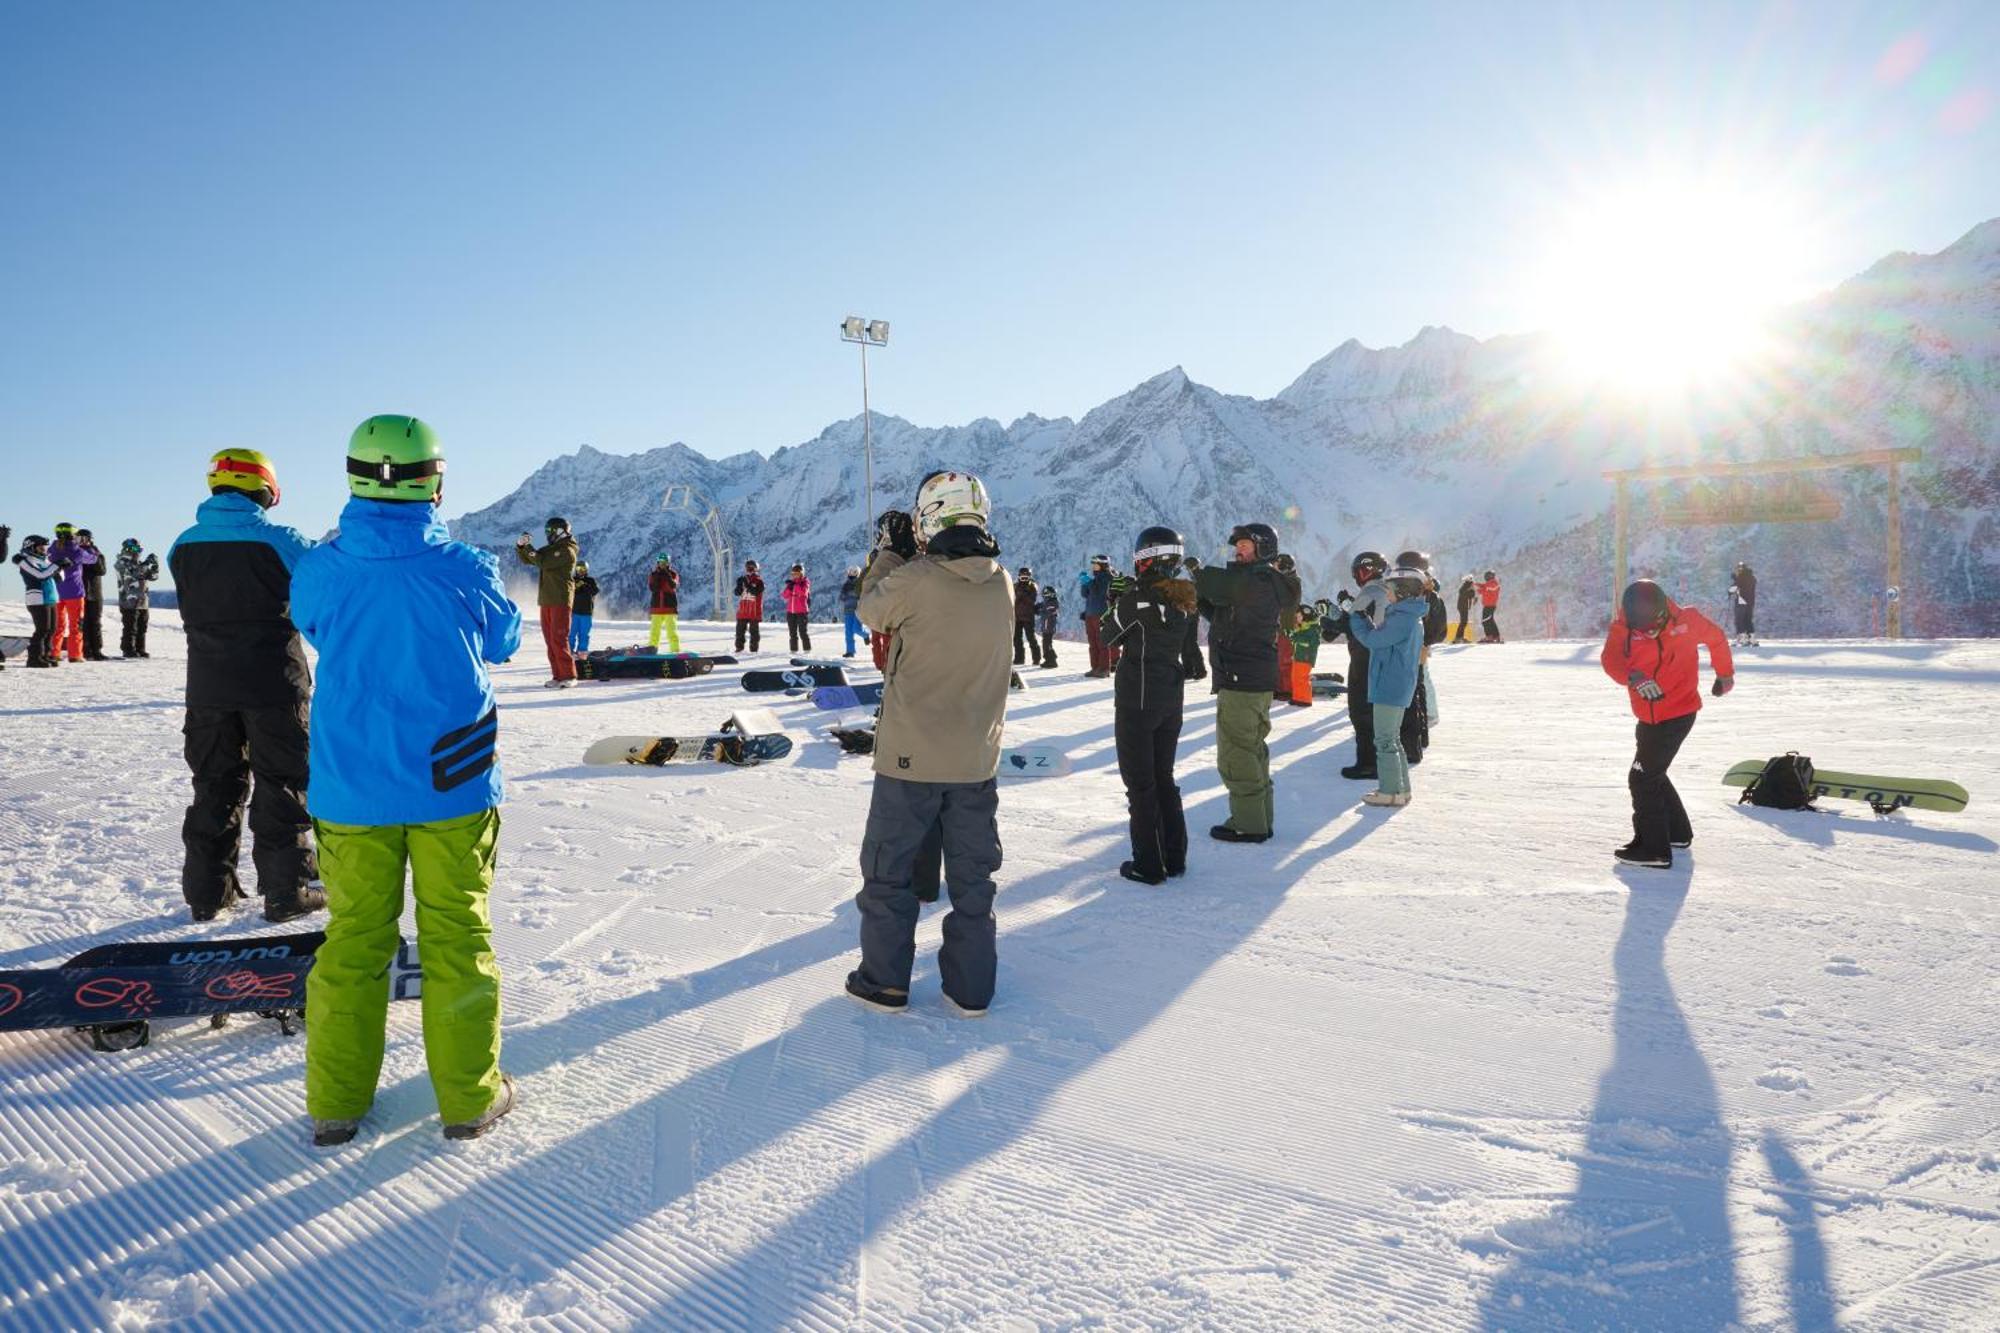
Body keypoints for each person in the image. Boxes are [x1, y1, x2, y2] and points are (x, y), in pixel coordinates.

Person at [294, 414, 522, 1146]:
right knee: (457, 936)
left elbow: (317, 625)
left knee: (354, 941)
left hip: (352, 786)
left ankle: (335, 1103)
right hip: (451, 783)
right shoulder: (464, 566)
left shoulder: (322, 569)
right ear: (435, 479)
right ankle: (467, 1098)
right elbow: (505, 639)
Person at [846, 472, 1012, 1016]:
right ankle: (971, 989)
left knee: (889, 873)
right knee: (971, 878)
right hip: (974, 760)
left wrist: (890, 553)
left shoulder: (916, 579)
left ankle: (885, 983)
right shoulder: (1002, 582)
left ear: (931, 518)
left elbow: (870, 609)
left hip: (910, 759)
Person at [167, 448, 321, 922]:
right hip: (273, 683)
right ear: (266, 489)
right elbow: (322, 587)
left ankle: (207, 891)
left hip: (208, 686)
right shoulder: (281, 540)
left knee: (214, 782)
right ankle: (287, 890)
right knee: (282, 784)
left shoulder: (183, 545)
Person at [1600, 579, 1735, 869]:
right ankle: (1677, 833)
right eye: (1642, 627)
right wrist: (1633, 677)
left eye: (1655, 624)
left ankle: (1653, 849)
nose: (1650, 631)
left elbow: (1717, 638)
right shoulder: (1622, 628)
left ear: (1664, 610)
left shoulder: (1688, 619)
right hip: (1647, 715)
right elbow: (1610, 661)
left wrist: (1725, 675)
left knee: (1642, 777)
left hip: (1679, 713)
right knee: (1653, 772)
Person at [1104, 526, 1203, 883]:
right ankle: (1174, 857)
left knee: (1141, 785)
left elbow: (1107, 635)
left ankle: (1148, 864)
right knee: (1164, 779)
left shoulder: (1135, 599)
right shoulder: (1185, 598)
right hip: (1169, 700)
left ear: (1147, 560)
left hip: (1136, 700)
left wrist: (1116, 599)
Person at [1193, 522, 1300, 843]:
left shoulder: (1259, 578)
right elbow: (1229, 617)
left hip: (1242, 678)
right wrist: (1203, 602)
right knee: (1252, 748)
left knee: (1236, 752)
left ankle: (1248, 824)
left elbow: (1219, 586)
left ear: (1263, 547)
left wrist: (1197, 574)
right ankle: (1258, 818)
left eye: (1246, 544)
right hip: (1251, 676)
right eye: (1237, 544)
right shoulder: (1259, 581)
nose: (1239, 549)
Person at [1344, 564, 1429, 807]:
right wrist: (1364, 619)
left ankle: (1390, 791)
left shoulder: (1403, 619)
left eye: (1390, 589)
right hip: (1394, 683)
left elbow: (1374, 640)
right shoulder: (1404, 616)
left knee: (1384, 740)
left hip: (1390, 686)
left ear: (1403, 591)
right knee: (1392, 739)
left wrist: (1357, 618)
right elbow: (1382, 638)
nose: (1387, 593)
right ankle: (1400, 790)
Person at [1333, 552, 1389, 781]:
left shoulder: (1372, 590)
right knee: (1370, 708)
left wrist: (1334, 619)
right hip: (1373, 654)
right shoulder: (1384, 589)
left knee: (1360, 709)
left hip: (1364, 655)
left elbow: (1358, 621)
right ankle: (1374, 761)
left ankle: (1368, 763)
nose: (1359, 577)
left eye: (1360, 572)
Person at [515, 518, 579, 686]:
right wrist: (521, 547)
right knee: (550, 640)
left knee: (559, 638)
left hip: (560, 598)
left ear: (560, 531)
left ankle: (569, 676)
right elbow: (530, 559)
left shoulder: (566, 550)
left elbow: (543, 562)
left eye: (550, 532)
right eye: (547, 532)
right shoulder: (552, 549)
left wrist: (528, 549)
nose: (548, 535)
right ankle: (557, 676)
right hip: (547, 598)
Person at [13, 534, 66, 668]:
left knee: (52, 629)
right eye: (41, 547)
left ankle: (45, 655)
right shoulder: (25, 561)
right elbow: (40, 575)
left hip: (51, 598)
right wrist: (56, 565)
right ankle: (34, 658)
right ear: (31, 547)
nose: (44, 550)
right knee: (42, 629)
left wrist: (61, 567)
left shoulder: (45, 561)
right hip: (37, 599)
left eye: (45, 547)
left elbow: (59, 579)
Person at [47, 522, 94, 663]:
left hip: (56, 592)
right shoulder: (77, 551)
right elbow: (93, 559)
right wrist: (89, 546)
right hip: (74, 593)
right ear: (73, 535)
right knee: (76, 626)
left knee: (57, 626)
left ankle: (53, 653)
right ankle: (75, 655)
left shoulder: (52, 549)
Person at [115, 537, 160, 657]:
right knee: (131, 627)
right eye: (135, 548)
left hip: (142, 600)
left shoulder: (138, 563)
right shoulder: (121, 562)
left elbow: (153, 577)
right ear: (127, 548)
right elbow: (134, 573)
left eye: (139, 548)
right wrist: (146, 563)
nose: (138, 551)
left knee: (142, 626)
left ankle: (140, 648)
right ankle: (128, 649)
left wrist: (155, 566)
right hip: (129, 601)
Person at [76, 528, 109, 660]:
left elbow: (101, 570)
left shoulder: (96, 552)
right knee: (82, 622)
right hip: (80, 591)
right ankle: (85, 650)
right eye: (79, 539)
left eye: (85, 538)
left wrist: (91, 557)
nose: (82, 541)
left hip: (95, 593)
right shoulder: (75, 552)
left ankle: (97, 650)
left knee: (95, 622)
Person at [1081, 554, 1114, 676]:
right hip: (1090, 613)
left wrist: (1089, 582)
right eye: (1093, 565)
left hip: (1101, 613)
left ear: (1103, 565)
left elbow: (1099, 593)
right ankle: (1095, 667)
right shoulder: (1095, 579)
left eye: (1096, 565)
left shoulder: (1107, 577)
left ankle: (1104, 669)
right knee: (1092, 642)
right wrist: (1084, 583)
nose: (1093, 567)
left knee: (1102, 642)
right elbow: (1085, 594)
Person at [647, 554, 681, 651]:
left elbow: (674, 585)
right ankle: (652, 651)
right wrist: (658, 578)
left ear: (668, 563)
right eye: (661, 562)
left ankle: (675, 651)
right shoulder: (653, 575)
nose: (662, 564)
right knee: (654, 633)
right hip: (656, 608)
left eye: (665, 562)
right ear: (658, 563)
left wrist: (667, 576)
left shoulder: (673, 574)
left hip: (670, 608)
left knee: (672, 633)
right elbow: (652, 588)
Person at [734, 559, 765, 652]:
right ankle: (739, 649)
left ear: (756, 569)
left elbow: (756, 591)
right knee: (739, 632)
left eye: (752, 568)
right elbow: (737, 593)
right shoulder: (743, 580)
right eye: (748, 568)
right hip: (743, 610)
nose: (750, 570)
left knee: (754, 633)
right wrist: (739, 585)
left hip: (754, 611)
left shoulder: (759, 581)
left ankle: (753, 650)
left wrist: (747, 585)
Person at [567, 560, 598, 656]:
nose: (580, 571)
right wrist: (576, 587)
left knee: (584, 634)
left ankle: (582, 652)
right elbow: (567, 592)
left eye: (583, 569)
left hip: (586, 613)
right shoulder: (572, 580)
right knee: (571, 634)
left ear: (586, 570)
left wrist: (585, 586)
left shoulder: (590, 580)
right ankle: (569, 651)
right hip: (574, 612)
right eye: (578, 569)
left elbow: (595, 591)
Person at [1012, 565, 1041, 667]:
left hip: (1028, 616)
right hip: (1017, 616)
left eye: (1026, 576)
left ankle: (1036, 659)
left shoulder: (1032, 586)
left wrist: (1022, 594)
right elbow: (1011, 599)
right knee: (1016, 639)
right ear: (1019, 576)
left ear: (1029, 576)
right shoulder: (1015, 586)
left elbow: (1032, 600)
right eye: (1022, 576)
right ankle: (1019, 659)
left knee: (1031, 638)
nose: (1024, 578)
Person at [782, 562, 812, 652]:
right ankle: (793, 650)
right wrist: (789, 588)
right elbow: (784, 595)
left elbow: (803, 592)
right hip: (791, 611)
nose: (795, 576)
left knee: (803, 632)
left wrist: (794, 586)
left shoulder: (805, 582)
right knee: (792, 633)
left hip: (801, 611)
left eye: (797, 574)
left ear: (802, 574)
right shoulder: (791, 583)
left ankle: (807, 650)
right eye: (793, 574)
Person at [839, 564, 867, 657]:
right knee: (848, 632)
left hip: (858, 610)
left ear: (857, 574)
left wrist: (851, 595)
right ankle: (850, 651)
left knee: (856, 629)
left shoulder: (860, 584)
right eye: (850, 573)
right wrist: (847, 595)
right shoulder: (846, 585)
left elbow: (862, 596)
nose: (851, 575)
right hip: (848, 611)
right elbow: (841, 597)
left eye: (853, 573)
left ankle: (865, 635)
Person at [1730, 562, 1758, 646]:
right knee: (1748, 620)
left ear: (1740, 569)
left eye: (1738, 569)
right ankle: (1751, 639)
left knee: (1739, 620)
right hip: (1751, 602)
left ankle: (1742, 639)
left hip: (1741, 601)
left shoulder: (1740, 577)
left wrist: (1735, 580)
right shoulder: (1753, 578)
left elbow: (1733, 589)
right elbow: (1746, 587)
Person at [1035, 582, 1061, 669]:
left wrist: (1040, 611)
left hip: (1049, 626)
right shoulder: (1048, 602)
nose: (1045, 596)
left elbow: (1049, 611)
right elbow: (1043, 606)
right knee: (1046, 643)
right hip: (1046, 626)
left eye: (1046, 594)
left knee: (1047, 643)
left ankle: (1052, 660)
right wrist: (1037, 607)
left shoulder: (1053, 602)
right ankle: (1049, 659)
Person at [1478, 569, 1503, 643]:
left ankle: (1490, 637)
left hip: (1489, 606)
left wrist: (1479, 590)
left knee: (1485, 621)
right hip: (1489, 605)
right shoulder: (1491, 583)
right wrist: (1474, 584)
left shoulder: (1494, 584)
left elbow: (1485, 588)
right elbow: (1484, 586)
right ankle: (1496, 636)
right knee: (1490, 621)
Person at [1454, 574, 1477, 644]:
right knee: (1463, 621)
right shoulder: (1466, 586)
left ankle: (1460, 637)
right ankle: (1458, 637)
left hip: (1463, 606)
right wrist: (1472, 592)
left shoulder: (1466, 586)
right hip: (1462, 606)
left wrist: (1473, 594)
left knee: (1464, 621)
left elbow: (1470, 595)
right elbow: (1467, 594)